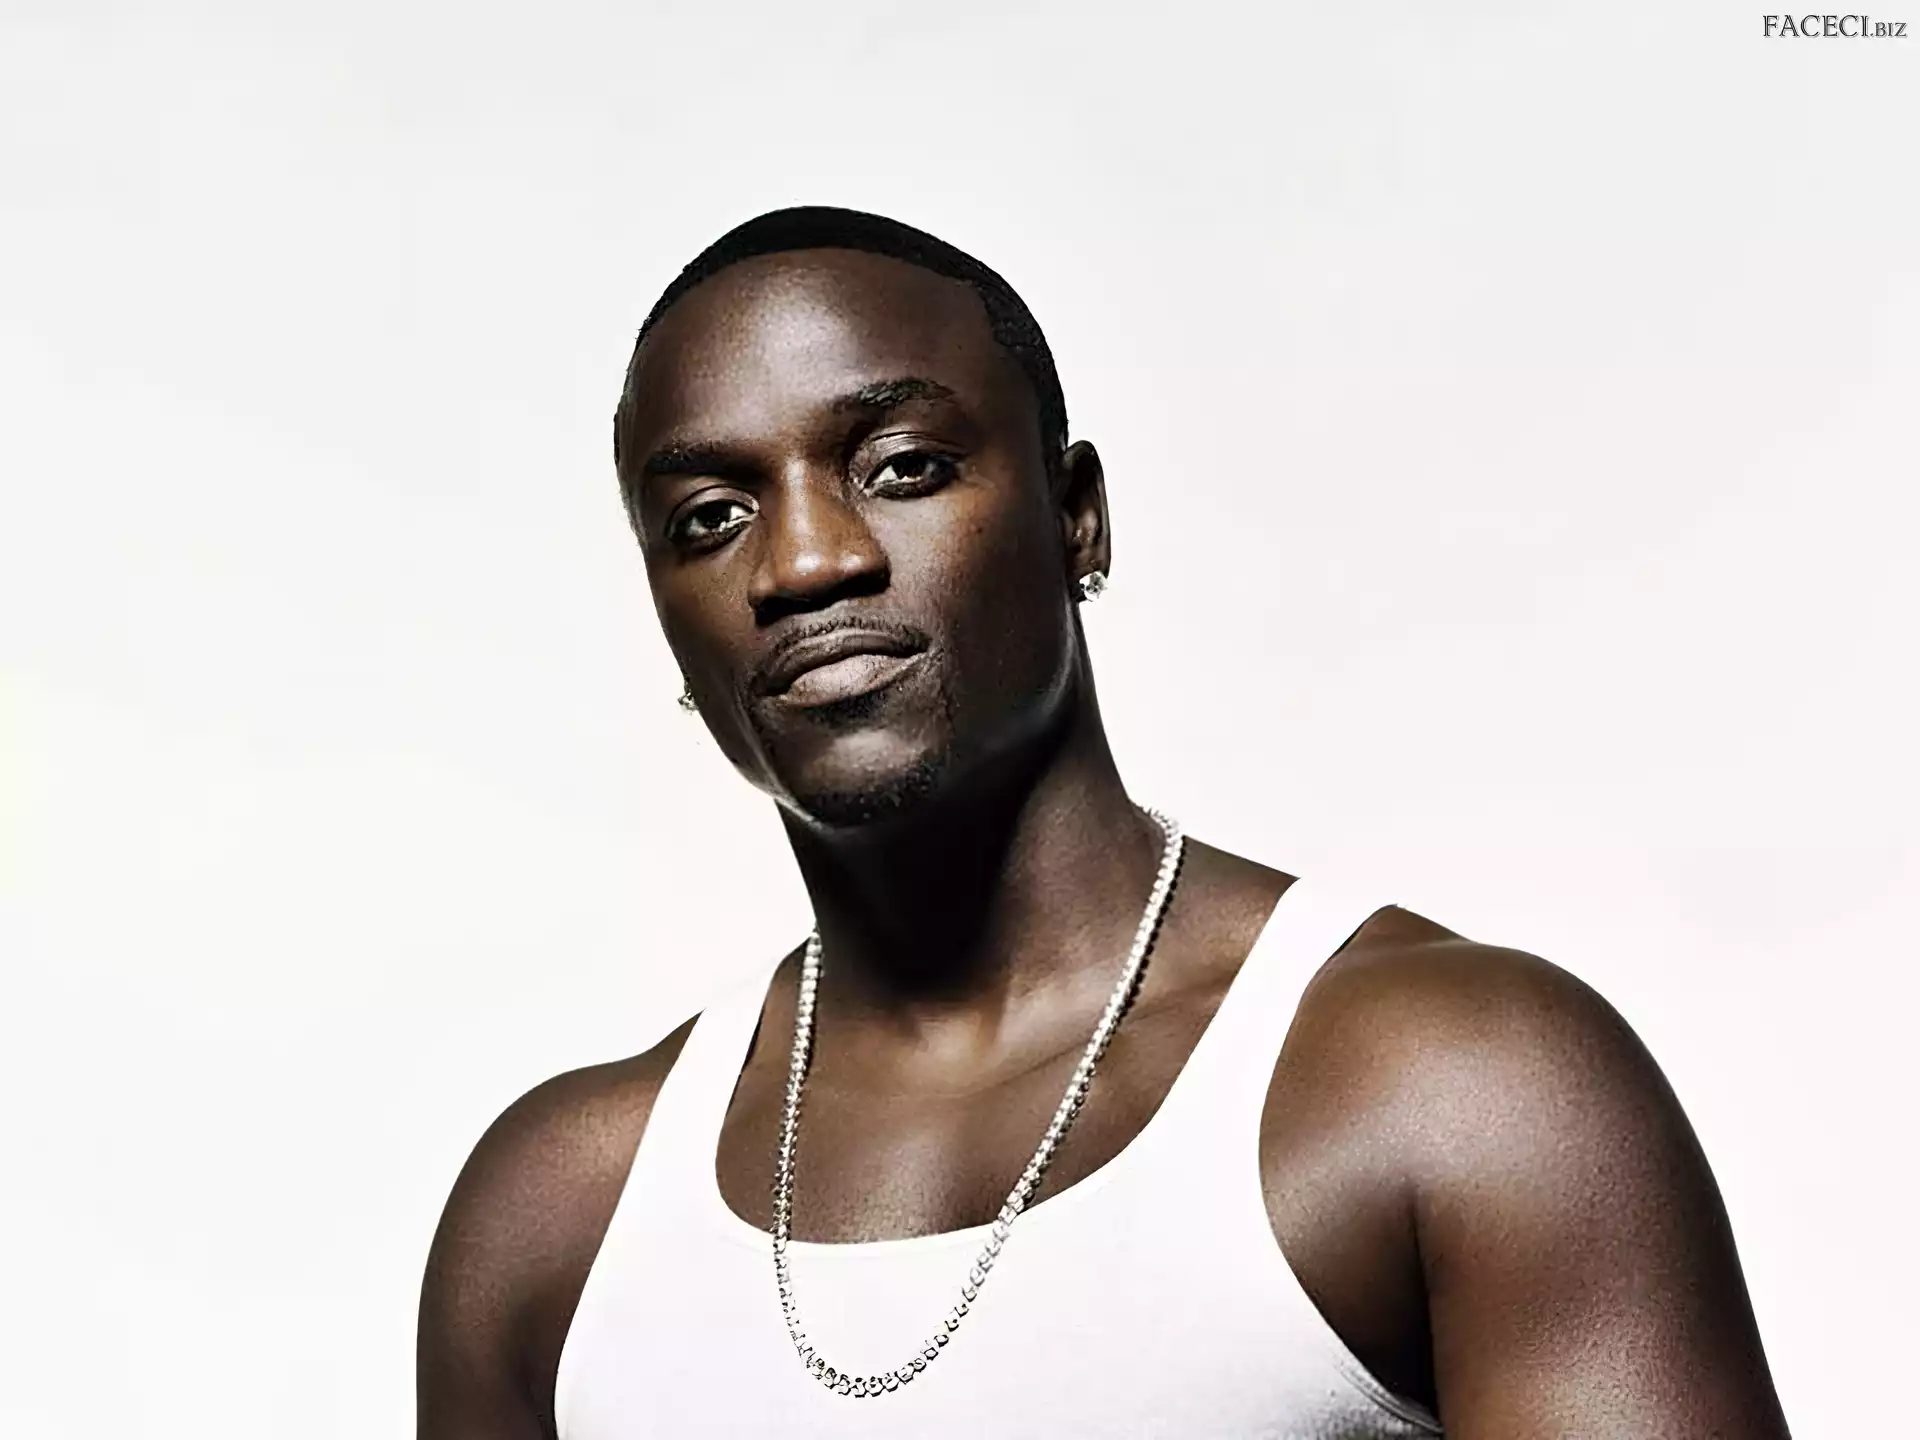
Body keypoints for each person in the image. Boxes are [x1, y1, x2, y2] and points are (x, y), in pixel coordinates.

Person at [415, 207, 1791, 1438]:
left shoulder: (1448, 1083)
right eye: (712, 517)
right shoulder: (558, 1223)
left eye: (901, 466)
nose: (808, 560)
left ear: (1077, 519)